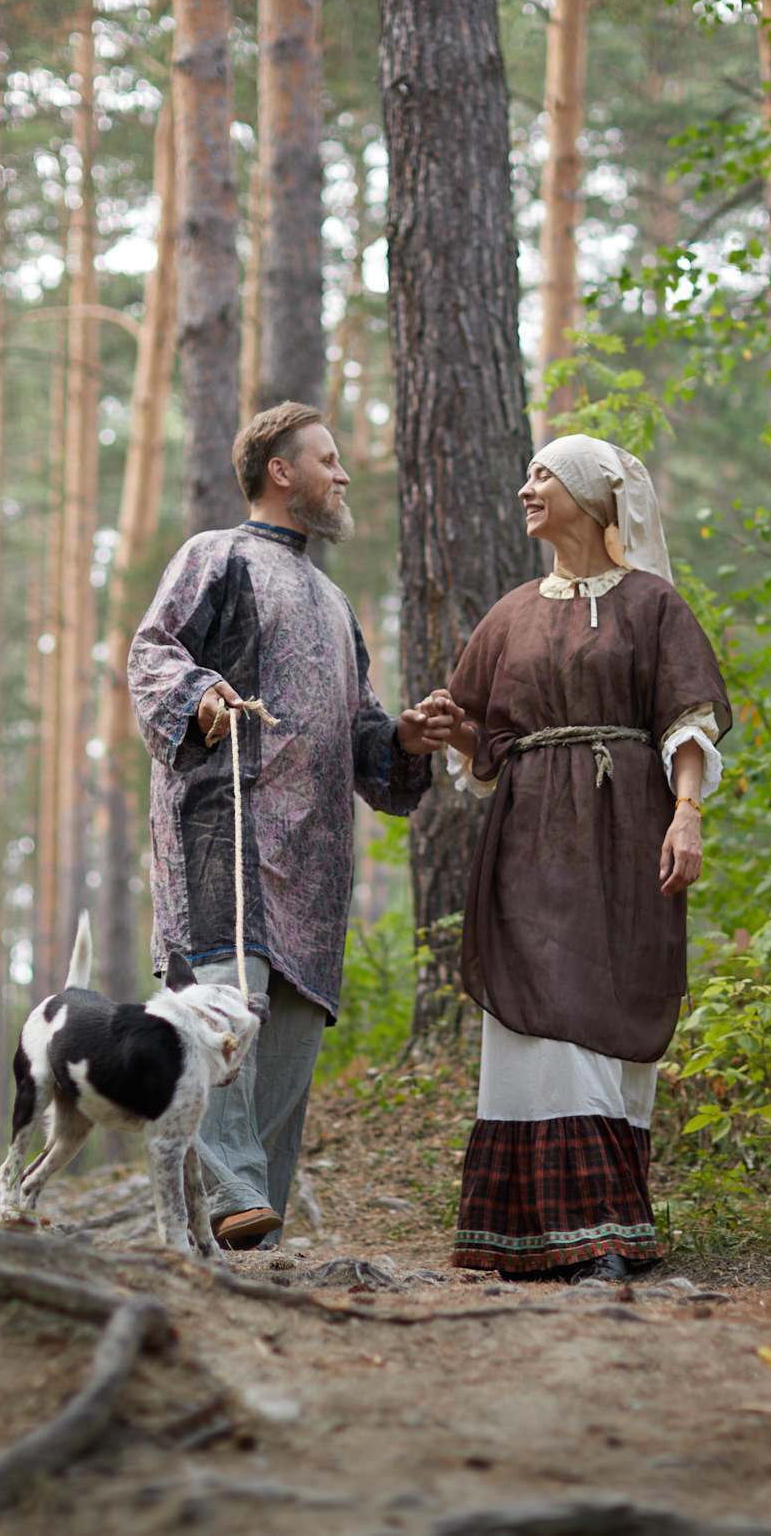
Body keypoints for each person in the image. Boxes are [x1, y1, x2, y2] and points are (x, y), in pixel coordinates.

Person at [127, 402, 460, 1249]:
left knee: (289, 1046)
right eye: (329, 459)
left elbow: (366, 739)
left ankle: (250, 1232)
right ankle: (230, 1185)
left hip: (313, 859)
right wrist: (201, 695)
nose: (342, 475)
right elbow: (152, 653)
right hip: (221, 830)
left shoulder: (335, 602)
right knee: (219, 1015)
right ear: (282, 471)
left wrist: (406, 739)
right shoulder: (217, 555)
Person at [437, 433, 729, 1282]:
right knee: (540, 1008)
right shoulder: (512, 612)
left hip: (626, 837)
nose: (526, 486)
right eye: (526, 470)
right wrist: (445, 726)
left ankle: (605, 1227)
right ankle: (549, 1232)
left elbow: (688, 719)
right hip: (527, 844)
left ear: (593, 498)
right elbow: (481, 736)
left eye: (543, 474)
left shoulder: (652, 605)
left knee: (603, 1008)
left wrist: (687, 814)